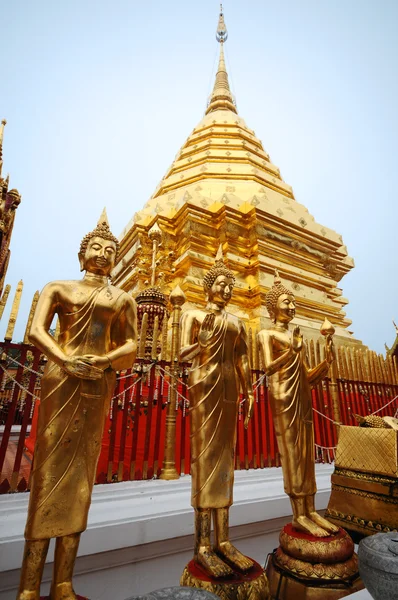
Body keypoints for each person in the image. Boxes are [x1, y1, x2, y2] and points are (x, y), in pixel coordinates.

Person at [17, 212, 137, 600]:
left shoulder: (121, 298)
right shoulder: (59, 288)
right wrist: (65, 359)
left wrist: (103, 361)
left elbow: (131, 346)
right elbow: (35, 330)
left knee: (81, 480)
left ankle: (64, 582)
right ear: (82, 253)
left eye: (109, 249)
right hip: (62, 380)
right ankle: (29, 585)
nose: (102, 253)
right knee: (48, 476)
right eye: (95, 248)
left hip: (96, 385)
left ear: (117, 258)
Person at [180, 246, 254, 578]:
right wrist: (202, 343)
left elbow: (241, 358)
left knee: (225, 460)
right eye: (219, 284)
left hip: (228, 389)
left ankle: (224, 540)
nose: (224, 290)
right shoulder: (193, 316)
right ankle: (203, 546)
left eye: (229, 285)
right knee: (205, 460)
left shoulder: (237, 323)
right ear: (207, 287)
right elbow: (183, 354)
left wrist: (250, 390)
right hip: (204, 388)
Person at [258, 271, 338, 537]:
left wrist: (326, 362)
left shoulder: (295, 337)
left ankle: (312, 510)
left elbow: (306, 376)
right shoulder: (266, 334)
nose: (291, 307)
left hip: (302, 396)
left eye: (292, 303)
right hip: (282, 397)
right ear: (272, 308)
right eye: (285, 302)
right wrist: (292, 350)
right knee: (292, 454)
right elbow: (269, 367)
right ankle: (298, 515)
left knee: (306, 455)